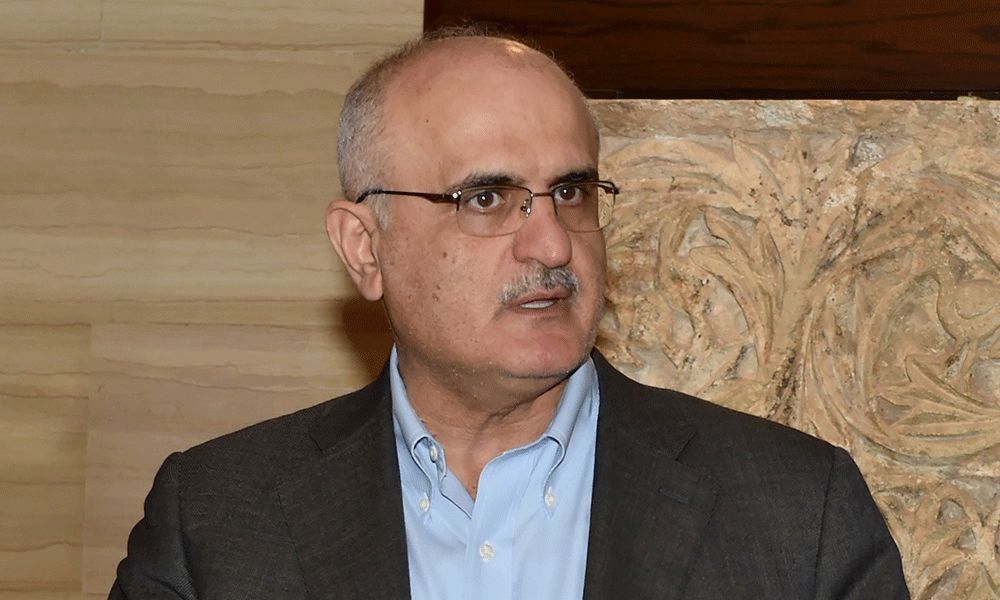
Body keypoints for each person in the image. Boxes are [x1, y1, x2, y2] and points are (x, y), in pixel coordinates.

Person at [110, 29, 910, 599]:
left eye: (571, 191)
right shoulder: (216, 520)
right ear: (364, 248)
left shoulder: (797, 514)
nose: (553, 243)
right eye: (486, 198)